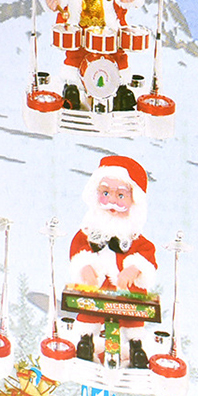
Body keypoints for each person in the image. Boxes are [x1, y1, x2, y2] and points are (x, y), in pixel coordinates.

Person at [66, 155, 157, 365]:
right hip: (98, 284)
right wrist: (85, 266)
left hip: (125, 289)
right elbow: (78, 249)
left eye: (121, 195)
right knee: (88, 303)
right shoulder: (89, 231)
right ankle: (86, 339)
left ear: (134, 199)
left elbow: (146, 254)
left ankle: (135, 345)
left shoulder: (133, 236)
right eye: (105, 193)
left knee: (133, 308)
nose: (112, 202)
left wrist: (134, 269)